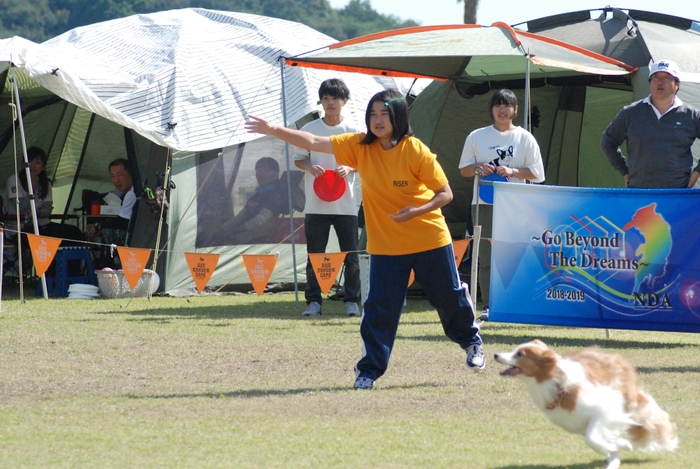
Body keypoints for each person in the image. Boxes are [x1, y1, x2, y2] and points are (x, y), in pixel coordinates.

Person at [246, 89, 484, 390]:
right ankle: (368, 372)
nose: (378, 120)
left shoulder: (416, 150)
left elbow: (445, 193)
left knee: (447, 297)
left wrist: (416, 211)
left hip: (429, 238)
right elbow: (314, 142)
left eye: (384, 113)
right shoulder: (359, 146)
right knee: (379, 308)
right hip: (386, 244)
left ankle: (471, 342)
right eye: (373, 114)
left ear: (399, 116)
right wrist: (272, 130)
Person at [458, 89, 545, 317]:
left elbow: (538, 174)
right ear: (492, 110)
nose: (502, 110)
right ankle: (489, 304)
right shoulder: (477, 136)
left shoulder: (524, 137)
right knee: (486, 256)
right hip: (484, 203)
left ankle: (517, 301)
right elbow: (464, 170)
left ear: (515, 110)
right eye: (498, 106)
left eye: (507, 106)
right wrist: (479, 167)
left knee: (516, 252)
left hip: (517, 204)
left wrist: (513, 170)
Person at [293, 78, 362, 318]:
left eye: (335, 99)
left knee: (351, 256)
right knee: (315, 255)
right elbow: (298, 158)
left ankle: (352, 300)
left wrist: (350, 168)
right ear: (321, 102)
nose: (330, 103)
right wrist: (310, 168)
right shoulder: (310, 129)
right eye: (325, 99)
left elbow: (363, 161)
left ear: (344, 101)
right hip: (315, 203)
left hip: (347, 205)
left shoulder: (354, 130)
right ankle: (313, 302)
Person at [601, 59, 700, 188]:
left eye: (666, 78)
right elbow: (608, 142)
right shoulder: (630, 113)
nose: (660, 81)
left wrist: (695, 175)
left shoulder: (691, 115)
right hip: (640, 194)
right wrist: (625, 172)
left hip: (678, 195)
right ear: (650, 83)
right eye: (655, 77)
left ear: (677, 84)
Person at [4, 147, 84, 275]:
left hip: (42, 223)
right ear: (22, 164)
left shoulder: (46, 182)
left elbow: (47, 209)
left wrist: (38, 212)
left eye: (37, 162)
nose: (32, 166)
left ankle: (72, 275)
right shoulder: (14, 179)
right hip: (19, 227)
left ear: (44, 167)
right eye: (29, 162)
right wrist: (32, 187)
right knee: (52, 236)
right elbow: (21, 208)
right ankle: (51, 275)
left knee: (74, 232)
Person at [217, 157, 290, 245]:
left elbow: (259, 220)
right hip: (243, 234)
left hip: (258, 238)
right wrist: (221, 229)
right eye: (258, 170)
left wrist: (234, 231)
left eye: (266, 170)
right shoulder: (258, 195)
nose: (261, 174)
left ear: (276, 174)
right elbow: (240, 216)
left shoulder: (276, 195)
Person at [85, 158, 137, 268]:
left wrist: (98, 226)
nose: (116, 180)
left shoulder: (132, 194)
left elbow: (122, 221)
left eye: (120, 175)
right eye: (112, 176)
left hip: (135, 235)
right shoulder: (127, 193)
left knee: (107, 232)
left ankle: (105, 268)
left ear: (130, 174)